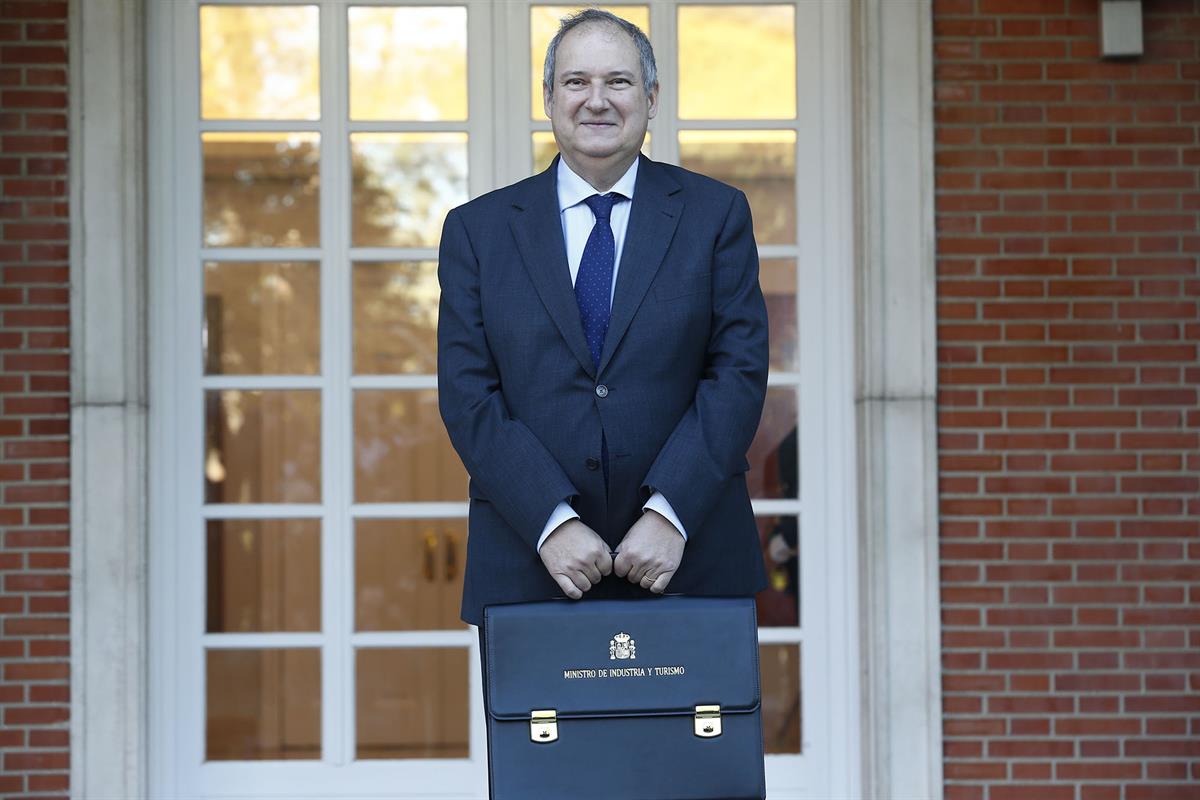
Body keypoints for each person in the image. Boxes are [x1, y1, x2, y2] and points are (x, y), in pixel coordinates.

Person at [436, 7, 768, 696]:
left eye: (618, 81)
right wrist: (550, 522)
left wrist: (669, 511)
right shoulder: (477, 231)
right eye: (575, 81)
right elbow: (469, 395)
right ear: (549, 98)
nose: (596, 99)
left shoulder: (716, 216)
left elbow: (736, 372)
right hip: (535, 561)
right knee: (549, 781)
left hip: (688, 554)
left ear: (650, 98)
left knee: (690, 776)